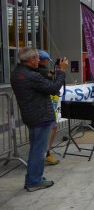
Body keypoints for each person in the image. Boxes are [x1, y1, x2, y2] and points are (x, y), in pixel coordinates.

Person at [11, 47, 68, 192]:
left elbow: (45, 82)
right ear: (31, 60)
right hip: (40, 116)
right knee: (39, 151)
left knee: (35, 149)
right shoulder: (31, 76)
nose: (39, 61)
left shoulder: (17, 73)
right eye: (37, 58)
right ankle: (34, 181)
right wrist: (61, 71)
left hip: (31, 116)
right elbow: (54, 87)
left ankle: (32, 178)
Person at [37, 50, 60, 166]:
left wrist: (53, 71)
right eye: (46, 61)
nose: (47, 63)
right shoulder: (40, 71)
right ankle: (46, 153)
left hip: (43, 107)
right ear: (43, 60)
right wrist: (61, 72)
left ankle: (46, 152)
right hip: (43, 107)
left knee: (52, 127)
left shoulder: (38, 71)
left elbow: (48, 76)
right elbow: (51, 85)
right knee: (51, 128)